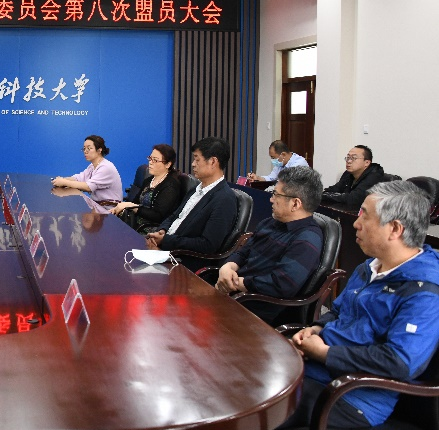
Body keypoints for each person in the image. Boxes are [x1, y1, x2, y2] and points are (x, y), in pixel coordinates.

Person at [250, 181, 439, 430]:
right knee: (245, 373)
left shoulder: (423, 291)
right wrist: (317, 328)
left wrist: (325, 353)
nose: (356, 223)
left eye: (365, 216)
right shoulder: (369, 267)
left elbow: (400, 362)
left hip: (353, 395)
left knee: (251, 402)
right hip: (318, 371)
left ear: (395, 229)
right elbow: (338, 311)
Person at [215, 166, 324, 323]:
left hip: (256, 311)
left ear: (295, 204)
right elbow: (244, 252)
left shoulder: (307, 239)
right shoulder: (270, 223)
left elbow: (282, 284)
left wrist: (236, 283)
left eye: (276, 194)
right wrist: (228, 267)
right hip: (235, 296)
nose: (271, 199)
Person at [145, 137, 238, 257]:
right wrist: (162, 231)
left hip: (182, 258)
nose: (193, 164)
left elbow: (208, 245)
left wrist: (166, 241)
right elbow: (174, 216)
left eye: (197, 159)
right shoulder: (196, 189)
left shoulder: (224, 199)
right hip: (166, 248)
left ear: (213, 162)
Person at [110, 144, 183, 235]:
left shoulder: (170, 186)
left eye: (155, 160)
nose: (150, 162)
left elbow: (158, 216)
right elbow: (135, 201)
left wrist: (133, 207)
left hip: (151, 230)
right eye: (150, 158)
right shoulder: (149, 180)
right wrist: (121, 207)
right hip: (135, 223)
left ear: (168, 164)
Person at [51, 135, 123, 202]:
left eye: (89, 148)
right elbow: (78, 178)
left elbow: (88, 187)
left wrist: (64, 182)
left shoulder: (105, 167)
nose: (85, 151)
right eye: (84, 148)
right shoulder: (92, 166)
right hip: (97, 205)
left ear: (99, 150)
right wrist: (62, 179)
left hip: (108, 208)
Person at [321, 144, 386, 211]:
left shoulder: (374, 175)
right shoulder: (348, 173)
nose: (349, 161)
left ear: (366, 162)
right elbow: (332, 190)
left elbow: (354, 199)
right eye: (348, 157)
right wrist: (326, 195)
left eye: (354, 158)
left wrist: (327, 195)